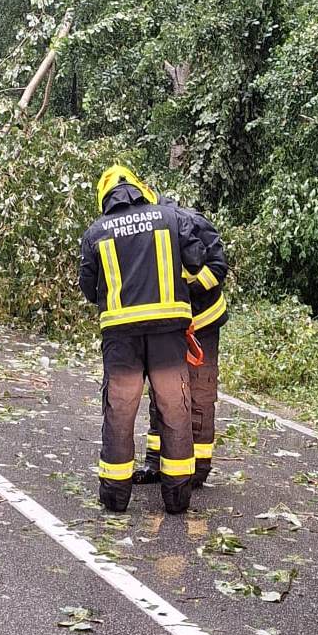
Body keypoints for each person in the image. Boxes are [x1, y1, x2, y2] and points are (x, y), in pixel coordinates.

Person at [78, 164, 211, 518]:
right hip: (168, 333)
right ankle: (177, 498)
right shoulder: (170, 217)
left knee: (120, 412)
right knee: (174, 408)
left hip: (121, 337)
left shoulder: (96, 232)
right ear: (141, 189)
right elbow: (198, 261)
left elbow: (90, 290)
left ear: (105, 196)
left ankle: (115, 497)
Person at [136, 197, 229, 489]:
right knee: (163, 393)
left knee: (199, 393)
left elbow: (217, 269)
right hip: (167, 325)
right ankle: (156, 462)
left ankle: (198, 469)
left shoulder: (195, 224)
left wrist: (183, 291)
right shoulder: (141, 232)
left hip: (202, 322)